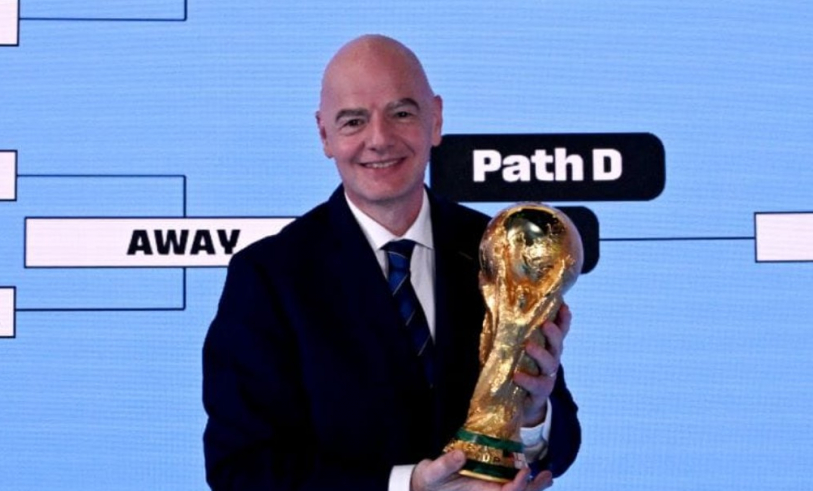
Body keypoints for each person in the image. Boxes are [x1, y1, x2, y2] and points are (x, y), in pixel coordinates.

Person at [202, 34, 580, 491]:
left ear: (435, 119)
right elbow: (241, 469)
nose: (379, 140)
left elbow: (561, 446)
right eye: (353, 121)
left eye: (401, 114)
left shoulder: (499, 249)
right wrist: (408, 486)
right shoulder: (269, 277)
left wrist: (534, 415)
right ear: (324, 135)